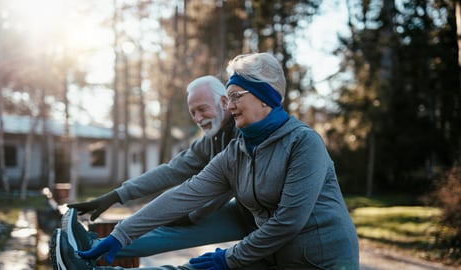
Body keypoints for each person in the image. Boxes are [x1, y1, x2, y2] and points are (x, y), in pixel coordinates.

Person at [57, 52, 360, 269]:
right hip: (271, 245)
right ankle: (94, 254)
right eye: (228, 98)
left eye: (235, 96)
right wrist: (120, 232)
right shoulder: (236, 149)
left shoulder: (303, 143)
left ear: (264, 97)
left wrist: (227, 258)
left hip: (321, 258)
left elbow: (289, 221)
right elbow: (183, 189)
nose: (230, 106)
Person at [50, 75, 257, 265]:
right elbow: (170, 171)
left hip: (266, 223)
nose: (198, 118)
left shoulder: (240, 136)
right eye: (193, 112)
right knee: (169, 229)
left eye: (202, 109)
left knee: (180, 231)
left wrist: (191, 215)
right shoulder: (210, 140)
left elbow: (216, 190)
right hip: (245, 211)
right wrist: (117, 195)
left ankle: (88, 252)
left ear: (224, 102)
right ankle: (87, 251)